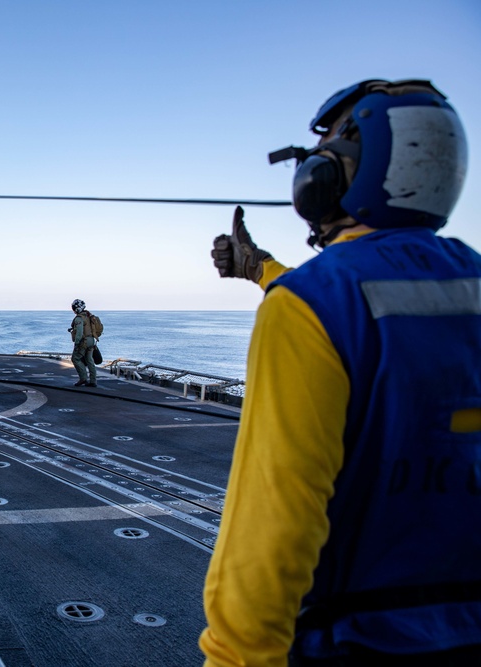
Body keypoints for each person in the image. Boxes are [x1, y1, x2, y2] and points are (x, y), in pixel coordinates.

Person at [200, 79, 481, 666]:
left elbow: (272, 532)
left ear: (328, 178)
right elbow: (380, 316)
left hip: (357, 642)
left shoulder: (308, 307)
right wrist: (262, 270)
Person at [69, 299, 98, 387]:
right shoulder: (89, 316)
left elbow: (79, 332)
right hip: (92, 341)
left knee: (75, 359)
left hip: (83, 342)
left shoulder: (79, 318)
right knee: (89, 360)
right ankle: (93, 381)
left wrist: (77, 343)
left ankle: (83, 378)